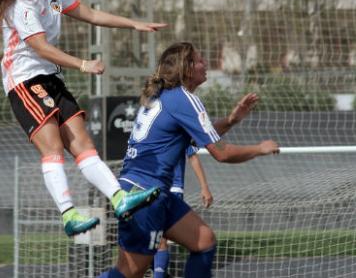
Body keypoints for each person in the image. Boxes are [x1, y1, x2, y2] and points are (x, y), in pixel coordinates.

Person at [0, 0, 167, 237]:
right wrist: (84, 65)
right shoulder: (23, 4)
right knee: (53, 147)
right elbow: (41, 47)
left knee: (83, 143)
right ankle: (69, 214)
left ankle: (119, 199)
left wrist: (134, 24)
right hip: (24, 83)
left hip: (49, 79)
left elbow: (89, 14)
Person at [98, 42, 279, 278]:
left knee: (204, 240)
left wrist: (231, 120)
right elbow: (221, 153)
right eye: (201, 60)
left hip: (148, 191)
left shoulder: (165, 96)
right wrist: (260, 148)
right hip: (144, 195)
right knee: (130, 272)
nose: (206, 65)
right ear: (187, 68)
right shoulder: (184, 99)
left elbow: (194, 140)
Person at [152, 145, 213, 278]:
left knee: (159, 239)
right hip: (151, 187)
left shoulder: (180, 128)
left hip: (172, 189)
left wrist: (204, 187)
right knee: (152, 240)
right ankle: (160, 272)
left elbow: (193, 156)